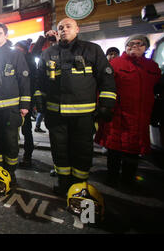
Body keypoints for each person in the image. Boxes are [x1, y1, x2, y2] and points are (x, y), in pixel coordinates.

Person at [36, 18, 117, 196]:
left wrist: (106, 105)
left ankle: (79, 186)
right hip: (56, 115)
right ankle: (63, 183)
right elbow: (40, 82)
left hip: (83, 116)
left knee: (82, 152)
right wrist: (39, 100)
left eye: (68, 26)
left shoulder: (92, 49)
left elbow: (107, 78)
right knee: (59, 151)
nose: (64, 29)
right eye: (60, 27)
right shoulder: (48, 53)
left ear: (77, 29)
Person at [95, 35, 161, 188]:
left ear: (145, 47)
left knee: (133, 151)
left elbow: (156, 88)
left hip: (140, 117)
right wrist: (103, 107)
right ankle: (111, 177)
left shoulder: (152, 67)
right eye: (131, 44)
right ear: (126, 47)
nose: (135, 46)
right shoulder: (115, 64)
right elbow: (103, 87)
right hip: (118, 115)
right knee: (114, 151)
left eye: (139, 44)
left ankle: (128, 180)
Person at [0, 22, 31, 183]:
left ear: (6, 35)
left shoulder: (15, 55)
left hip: (11, 109)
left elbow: (23, 79)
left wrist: (25, 105)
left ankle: (10, 173)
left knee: (10, 141)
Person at [15, 40, 37, 168]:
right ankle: (14, 154)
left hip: (25, 103)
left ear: (24, 49)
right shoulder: (16, 60)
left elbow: (31, 83)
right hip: (14, 102)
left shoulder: (29, 61)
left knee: (26, 130)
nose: (16, 50)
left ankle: (27, 156)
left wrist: (30, 103)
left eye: (18, 48)